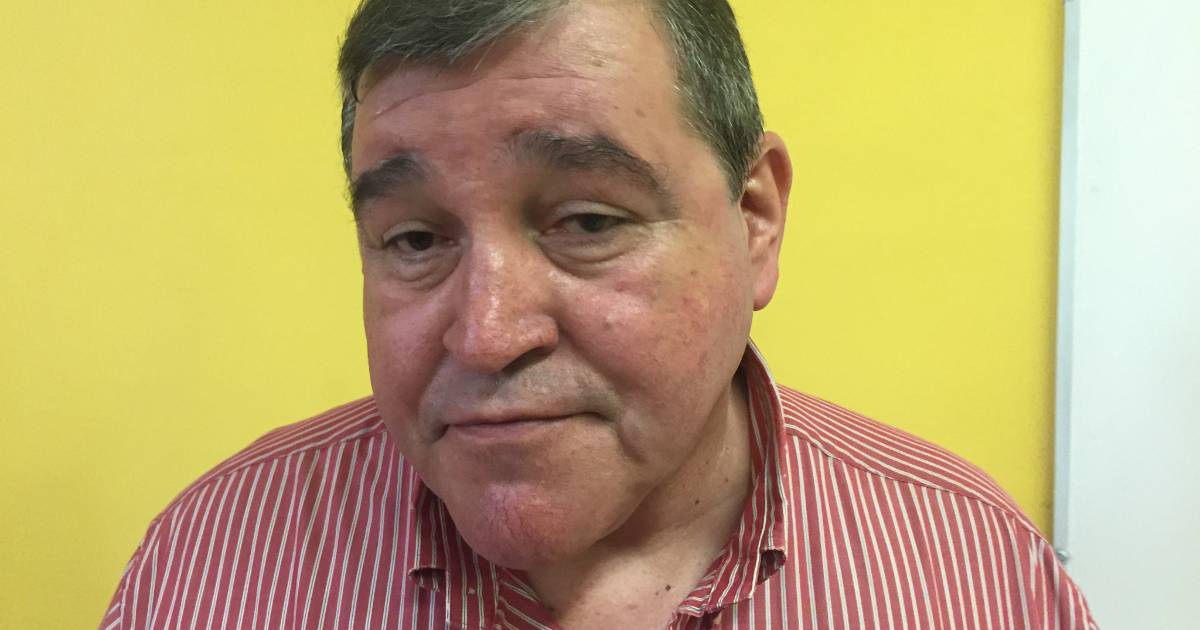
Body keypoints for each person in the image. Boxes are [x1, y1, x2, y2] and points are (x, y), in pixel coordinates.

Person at [101, 1, 1097, 628]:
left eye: (587, 221)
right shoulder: (208, 570)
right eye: (414, 239)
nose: (487, 333)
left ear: (754, 218)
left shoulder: (970, 576)